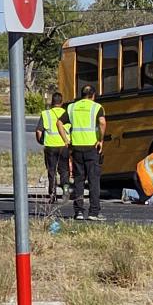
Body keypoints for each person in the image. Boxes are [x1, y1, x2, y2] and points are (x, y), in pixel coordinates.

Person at [66, 84, 107, 221]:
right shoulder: (96, 107)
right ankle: (93, 212)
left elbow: (60, 123)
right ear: (93, 95)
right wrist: (100, 140)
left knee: (79, 181)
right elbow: (102, 122)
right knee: (94, 181)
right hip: (91, 148)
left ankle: (78, 212)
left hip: (77, 147)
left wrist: (66, 139)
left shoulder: (72, 107)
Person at [36, 90, 71, 203]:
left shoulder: (45, 114)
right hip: (63, 146)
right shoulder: (67, 113)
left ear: (52, 102)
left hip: (50, 146)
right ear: (62, 102)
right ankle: (66, 190)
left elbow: (39, 131)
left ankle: (52, 194)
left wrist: (41, 141)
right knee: (64, 170)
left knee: (52, 171)